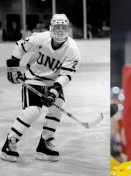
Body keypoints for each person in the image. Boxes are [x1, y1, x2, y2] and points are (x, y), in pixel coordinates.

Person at [1, 14, 81, 162]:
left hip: (52, 82)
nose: (60, 30)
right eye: (57, 27)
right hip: (33, 79)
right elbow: (20, 45)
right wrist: (13, 67)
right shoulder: (42, 38)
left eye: (63, 27)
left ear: (67, 28)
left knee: (58, 107)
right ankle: (9, 143)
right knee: (32, 111)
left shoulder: (72, 49)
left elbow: (66, 74)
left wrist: (54, 91)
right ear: (51, 27)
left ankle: (44, 144)